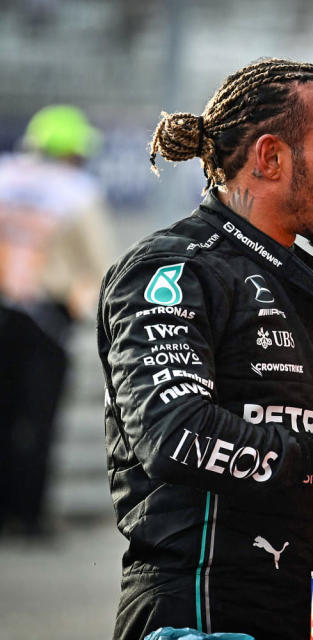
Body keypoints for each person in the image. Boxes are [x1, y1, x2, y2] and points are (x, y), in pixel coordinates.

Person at [98, 58, 313, 640]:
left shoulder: (311, 293)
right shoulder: (174, 268)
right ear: (271, 157)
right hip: (201, 614)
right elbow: (173, 435)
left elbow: (308, 452)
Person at [0, 104, 112, 537]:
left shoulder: (4, 176)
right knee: (39, 420)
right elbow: (99, 265)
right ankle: (28, 517)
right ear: (71, 151)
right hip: (46, 320)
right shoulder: (77, 191)